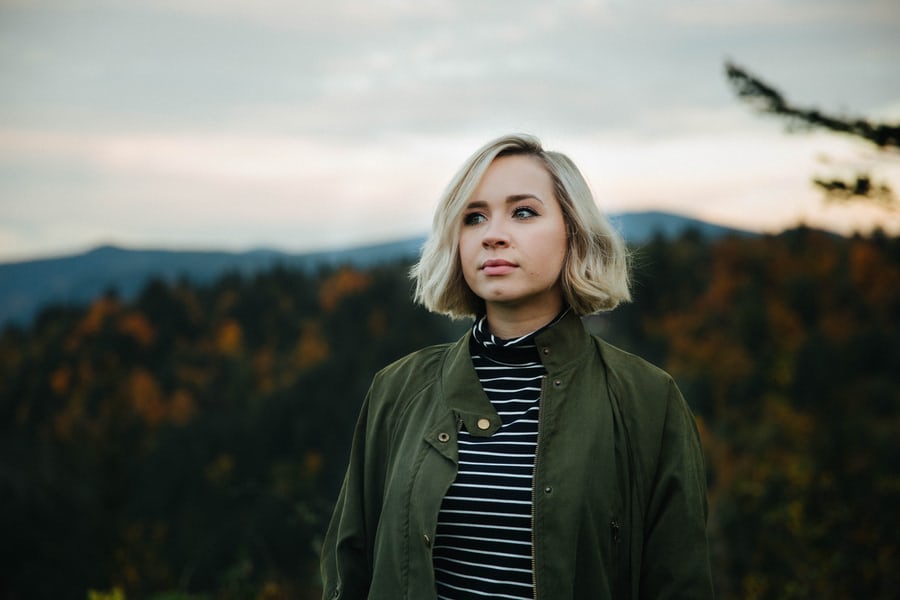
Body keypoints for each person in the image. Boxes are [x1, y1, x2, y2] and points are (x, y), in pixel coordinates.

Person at [319, 133, 714, 599]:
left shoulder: (648, 400)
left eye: (523, 212)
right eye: (474, 217)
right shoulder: (397, 389)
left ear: (574, 231)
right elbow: (349, 569)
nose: (493, 234)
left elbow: (678, 582)